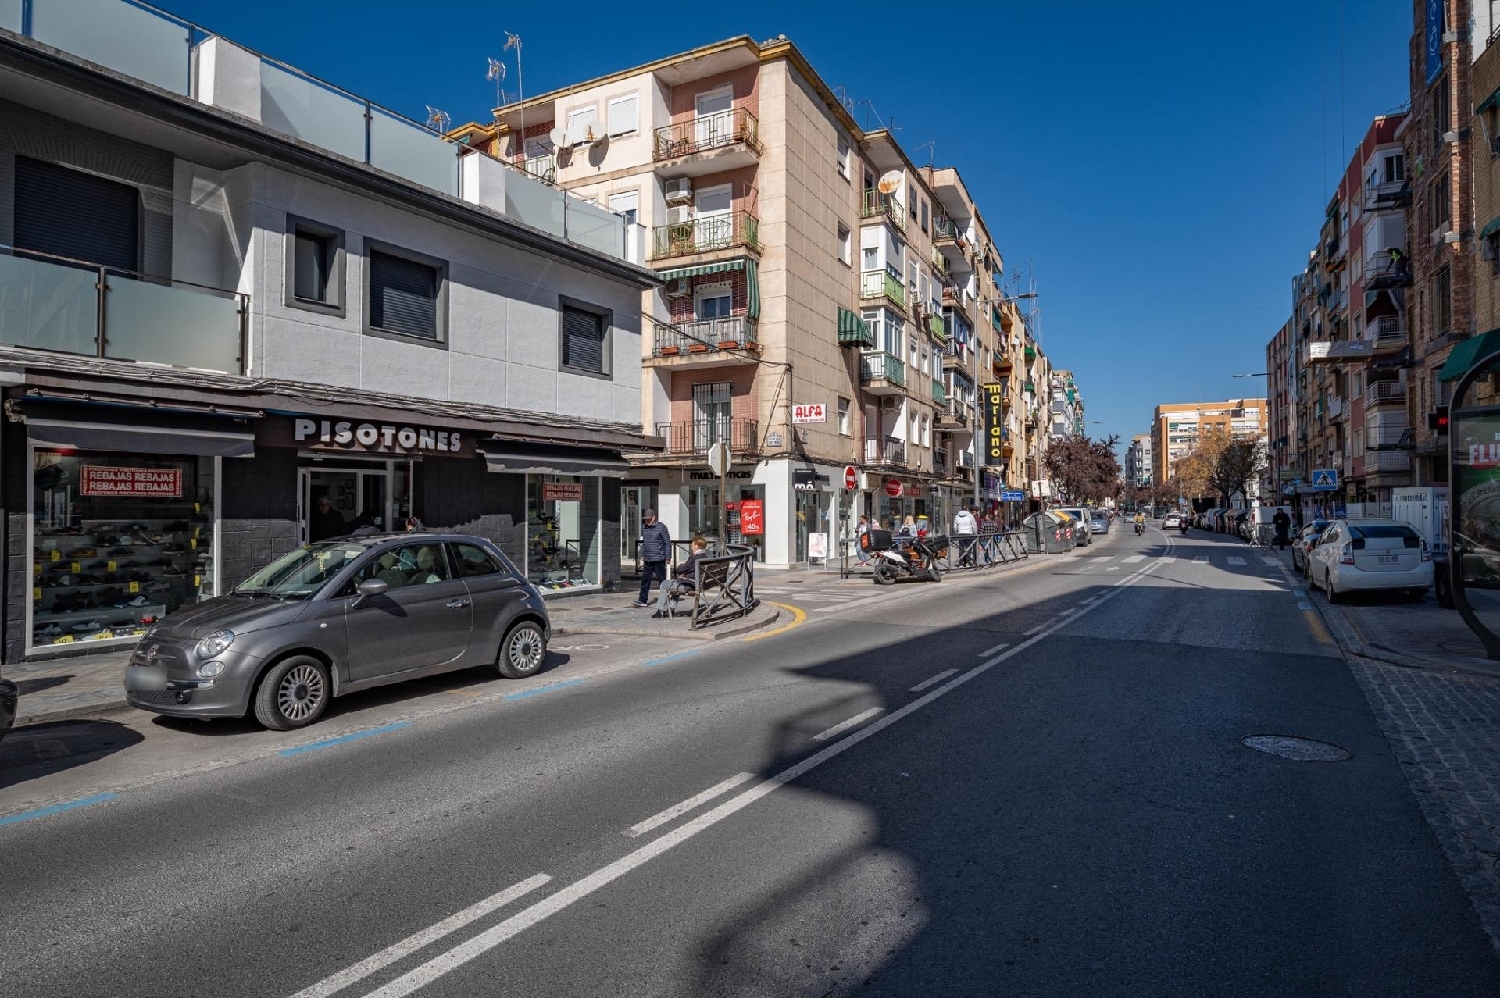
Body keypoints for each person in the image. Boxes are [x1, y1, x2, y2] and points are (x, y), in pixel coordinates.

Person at [652, 536, 709, 618]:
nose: (691, 547)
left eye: (692, 545)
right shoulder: (705, 557)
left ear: (697, 546)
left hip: (690, 585)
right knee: (676, 583)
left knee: (664, 584)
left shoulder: (694, 558)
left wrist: (681, 568)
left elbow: (680, 569)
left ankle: (661, 610)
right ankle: (670, 609)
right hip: (697, 584)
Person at [634, 509, 671, 607]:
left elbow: (667, 543)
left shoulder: (661, 527)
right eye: (646, 519)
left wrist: (668, 557)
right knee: (645, 581)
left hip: (659, 559)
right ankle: (643, 600)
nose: (647, 521)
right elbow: (644, 544)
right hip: (648, 559)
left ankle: (665, 600)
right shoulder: (644, 528)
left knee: (662, 581)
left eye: (649, 519)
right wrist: (641, 556)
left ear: (654, 517)